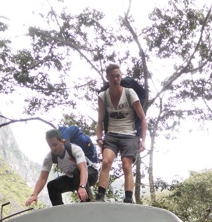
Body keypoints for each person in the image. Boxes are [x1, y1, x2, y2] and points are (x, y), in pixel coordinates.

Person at [95, 63, 147, 203]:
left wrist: (143, 140)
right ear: (107, 78)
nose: (115, 79)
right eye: (112, 77)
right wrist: (99, 138)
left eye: (118, 76)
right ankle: (100, 196)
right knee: (106, 161)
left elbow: (142, 119)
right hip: (112, 134)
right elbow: (100, 121)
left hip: (129, 134)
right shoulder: (103, 96)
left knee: (126, 165)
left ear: (121, 76)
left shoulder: (129, 93)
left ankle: (128, 198)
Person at [26, 129, 98, 207]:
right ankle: (59, 211)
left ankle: (86, 204)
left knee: (77, 172)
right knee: (52, 186)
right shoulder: (49, 157)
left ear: (62, 141)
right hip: (73, 178)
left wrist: (82, 186)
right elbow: (43, 178)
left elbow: (83, 169)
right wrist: (34, 194)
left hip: (90, 174)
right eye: (50, 146)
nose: (53, 148)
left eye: (55, 144)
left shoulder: (74, 149)